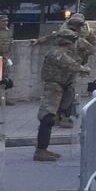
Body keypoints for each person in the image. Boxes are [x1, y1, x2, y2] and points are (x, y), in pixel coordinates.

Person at [36, 26, 80, 163]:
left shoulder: (61, 53)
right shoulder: (57, 53)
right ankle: (40, 151)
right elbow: (72, 66)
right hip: (52, 88)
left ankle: (43, 149)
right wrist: (85, 69)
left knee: (50, 118)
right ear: (69, 42)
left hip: (59, 88)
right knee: (47, 118)